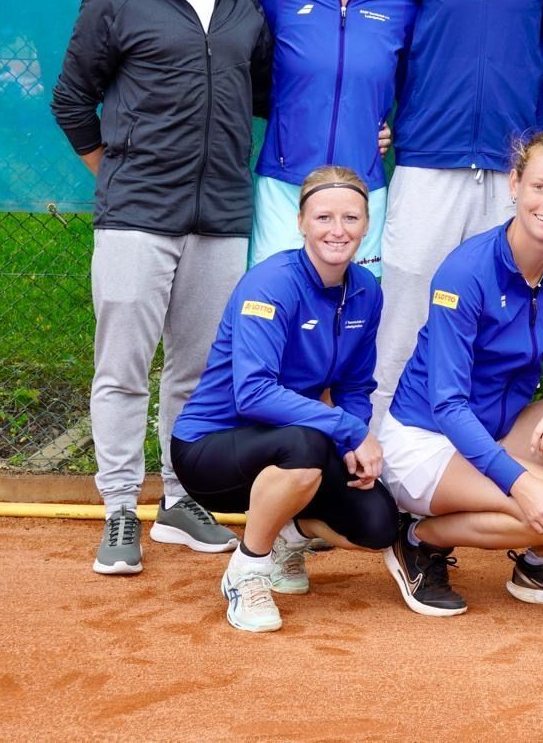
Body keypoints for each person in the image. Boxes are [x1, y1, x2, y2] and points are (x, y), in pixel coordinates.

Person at [248, 0, 543, 430]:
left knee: (499, 320)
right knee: (402, 314)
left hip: (512, 171)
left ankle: (478, 464)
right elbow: (374, 30)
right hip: (428, 162)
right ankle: (379, 463)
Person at [51, 0, 271, 575]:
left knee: (198, 371)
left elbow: (266, 98)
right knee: (121, 370)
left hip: (220, 218)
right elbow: (70, 101)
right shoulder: (116, 1)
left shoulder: (244, 9)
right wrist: (116, 175)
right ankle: (119, 508)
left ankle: (182, 498)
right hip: (136, 219)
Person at [377, 131, 543, 616]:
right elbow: (447, 405)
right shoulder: (466, 271)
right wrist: (521, 482)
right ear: (514, 184)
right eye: (539, 187)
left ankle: (541, 564)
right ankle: (415, 536)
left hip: (496, 432)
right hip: (425, 441)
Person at [170, 166, 399, 632]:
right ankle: (247, 570)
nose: (338, 230)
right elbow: (253, 393)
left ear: (367, 223)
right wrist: (350, 431)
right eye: (323, 217)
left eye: (351, 218)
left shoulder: (367, 292)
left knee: (378, 525)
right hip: (211, 448)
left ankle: (287, 538)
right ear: (300, 222)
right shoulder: (270, 284)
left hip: (294, 442)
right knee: (308, 446)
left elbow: (355, 385)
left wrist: (351, 443)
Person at [248, 0, 413, 275]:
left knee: (354, 311)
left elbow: (413, 85)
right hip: (286, 185)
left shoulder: (400, 7)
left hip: (361, 187)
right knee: (273, 307)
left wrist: (383, 122)